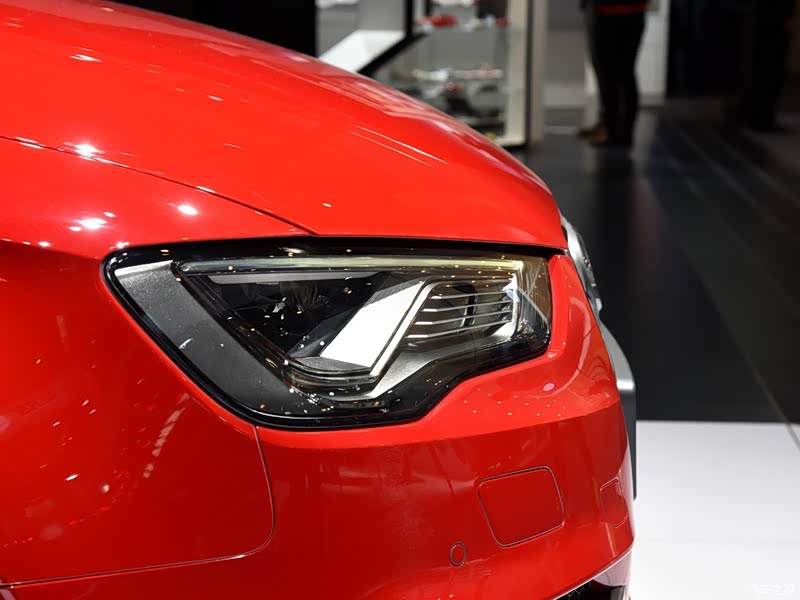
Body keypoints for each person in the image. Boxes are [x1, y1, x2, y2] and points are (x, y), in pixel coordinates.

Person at [589, 0, 648, 148]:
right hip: (634, 13)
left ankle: (611, 131)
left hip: (608, 13)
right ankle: (622, 132)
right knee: (625, 74)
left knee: (609, 75)